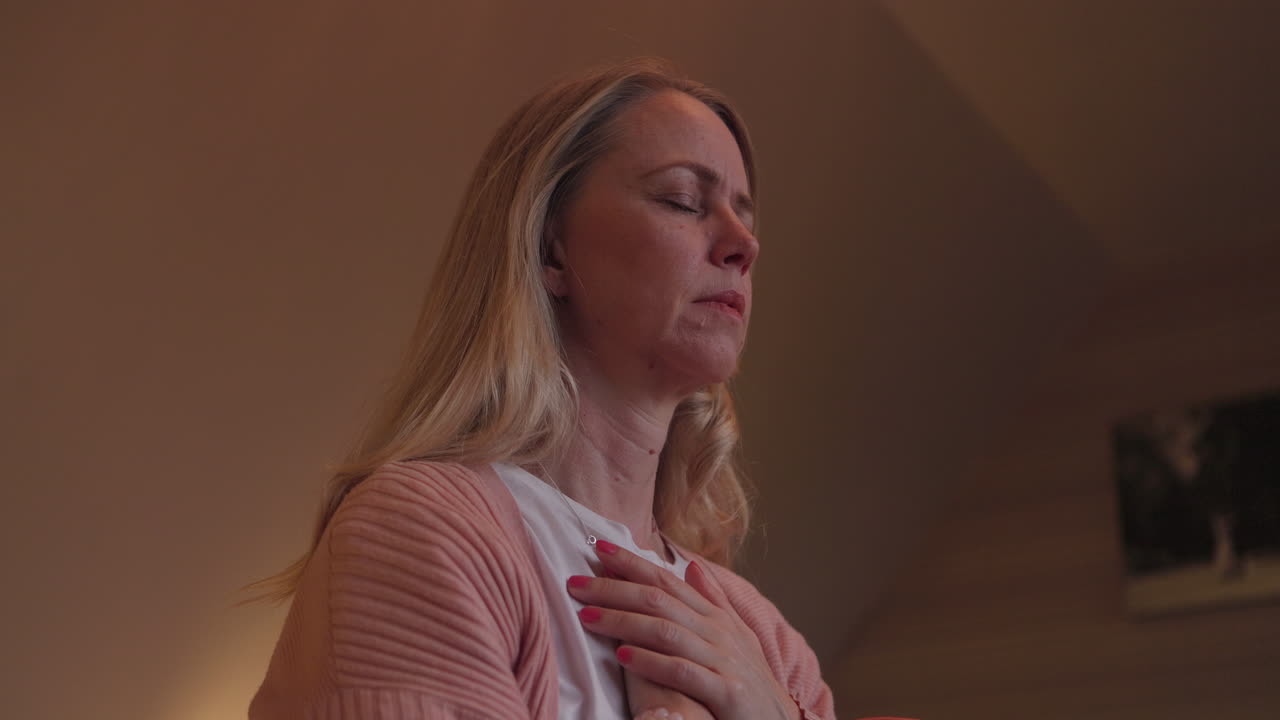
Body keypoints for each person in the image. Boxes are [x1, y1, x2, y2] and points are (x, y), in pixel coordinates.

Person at [248, 57, 838, 720]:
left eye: (744, 214)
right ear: (551, 248)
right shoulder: (426, 530)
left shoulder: (766, 643)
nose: (742, 244)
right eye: (681, 199)